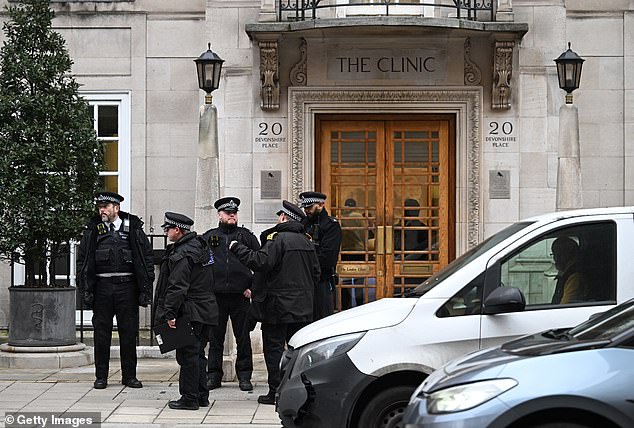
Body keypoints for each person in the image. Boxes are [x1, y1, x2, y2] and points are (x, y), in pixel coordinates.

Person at [229, 200, 320, 405]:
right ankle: (300, 389)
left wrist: (237, 248)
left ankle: (276, 391)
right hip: (302, 307)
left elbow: (261, 262)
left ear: (283, 218)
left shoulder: (277, 240)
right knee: (299, 350)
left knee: (274, 350)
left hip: (277, 308)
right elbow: (316, 273)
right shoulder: (307, 241)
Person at [77, 191, 155, 390]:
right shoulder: (93, 229)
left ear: (116, 208)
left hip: (126, 287)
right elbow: (83, 259)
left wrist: (145, 286)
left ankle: (129, 376)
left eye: (106, 206)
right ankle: (101, 376)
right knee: (101, 334)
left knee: (128, 333)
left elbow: (146, 257)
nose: (102, 210)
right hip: (103, 287)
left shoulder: (133, 228)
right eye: (100, 206)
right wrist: (86, 287)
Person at [153, 212, 219, 410]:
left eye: (168, 229)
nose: (165, 232)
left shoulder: (182, 254)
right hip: (206, 308)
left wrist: (170, 314)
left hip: (190, 310)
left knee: (188, 355)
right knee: (198, 354)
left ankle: (189, 398)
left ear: (178, 230)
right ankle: (201, 395)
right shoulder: (201, 247)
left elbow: (177, 287)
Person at [202, 197, 259, 392]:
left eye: (234, 212)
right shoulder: (209, 237)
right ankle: (214, 376)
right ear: (219, 215)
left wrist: (252, 287)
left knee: (243, 337)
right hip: (216, 296)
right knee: (215, 338)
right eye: (228, 212)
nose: (232, 215)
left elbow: (260, 263)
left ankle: (244, 376)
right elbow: (202, 266)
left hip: (240, 295)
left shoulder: (246, 237)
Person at [299, 191, 342, 319]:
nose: (307, 210)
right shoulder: (303, 224)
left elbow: (327, 258)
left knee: (321, 321)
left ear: (321, 204)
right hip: (303, 283)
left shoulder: (331, 226)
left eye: (309, 207)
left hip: (321, 282)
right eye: (305, 207)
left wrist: (303, 260)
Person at [340, 198, 366, 309]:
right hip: (358, 251)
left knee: (345, 281)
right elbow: (364, 234)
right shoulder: (359, 217)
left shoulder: (341, 217)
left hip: (344, 250)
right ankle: (359, 306)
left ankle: (345, 306)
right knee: (359, 281)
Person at [551, 237, 587, 304]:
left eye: (559, 254)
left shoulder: (574, 277)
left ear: (569, 254)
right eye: (554, 254)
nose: (555, 258)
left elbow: (564, 306)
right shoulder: (564, 274)